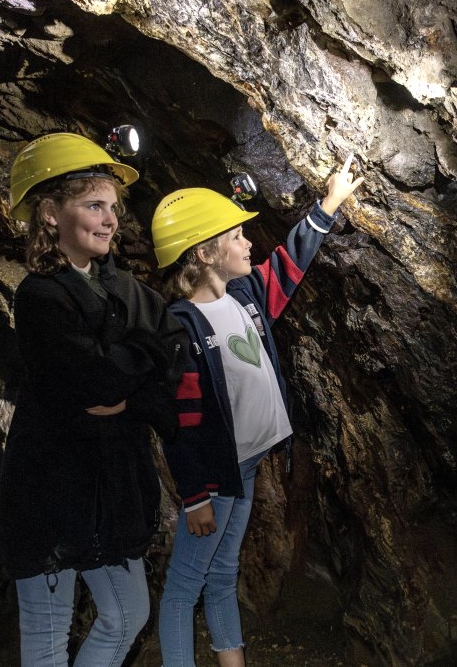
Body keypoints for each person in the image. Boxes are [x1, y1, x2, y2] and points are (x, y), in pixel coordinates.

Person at [151, 165, 363, 667]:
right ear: (204, 255)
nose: (249, 243)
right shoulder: (181, 328)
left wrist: (327, 205)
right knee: (184, 586)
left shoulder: (243, 297)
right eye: (236, 236)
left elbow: (290, 262)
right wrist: (195, 495)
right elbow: (180, 423)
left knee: (223, 574)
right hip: (216, 476)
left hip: (244, 465)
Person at [0, 132, 184, 667]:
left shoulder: (124, 287)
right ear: (51, 214)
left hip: (110, 491)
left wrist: (132, 395)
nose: (109, 220)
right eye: (94, 205)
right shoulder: (39, 296)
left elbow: (175, 349)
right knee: (48, 638)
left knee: (128, 615)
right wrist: (141, 363)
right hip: (52, 491)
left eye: (113, 209)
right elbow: (98, 378)